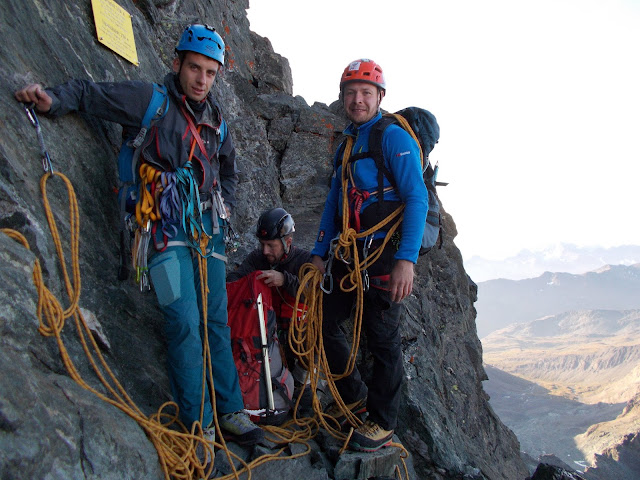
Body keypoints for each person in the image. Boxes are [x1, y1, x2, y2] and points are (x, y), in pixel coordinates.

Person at [15, 24, 264, 447]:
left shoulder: (218, 122)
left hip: (209, 232)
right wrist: (53, 99)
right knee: (184, 323)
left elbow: (228, 170)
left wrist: (226, 210)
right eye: (194, 69)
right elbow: (95, 95)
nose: (202, 80)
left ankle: (232, 411)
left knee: (215, 323)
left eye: (210, 72)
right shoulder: (152, 102)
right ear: (177, 65)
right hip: (163, 231)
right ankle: (199, 426)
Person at [310, 59, 428, 452]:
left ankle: (382, 422)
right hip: (348, 256)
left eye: (365, 93)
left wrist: (406, 260)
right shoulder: (347, 142)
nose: (357, 100)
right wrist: (319, 253)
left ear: (380, 97)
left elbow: (416, 196)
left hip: (383, 257)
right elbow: (333, 200)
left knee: (382, 341)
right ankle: (356, 397)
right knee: (324, 320)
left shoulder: (392, 138)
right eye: (350, 92)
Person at [227, 208, 313, 393]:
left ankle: (304, 395)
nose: (265, 251)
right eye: (262, 244)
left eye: (270, 245)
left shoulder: (305, 261)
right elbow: (236, 279)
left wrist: (284, 280)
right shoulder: (257, 259)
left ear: (287, 242)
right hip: (267, 336)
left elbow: (316, 294)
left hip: (299, 337)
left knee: (305, 362)